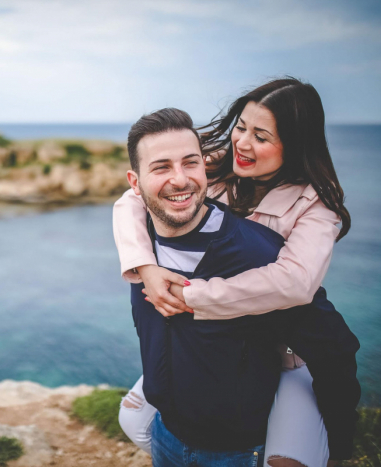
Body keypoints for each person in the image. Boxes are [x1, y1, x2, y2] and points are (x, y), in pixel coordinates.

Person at [114, 78, 353, 467]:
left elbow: (295, 283)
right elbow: (133, 198)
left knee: (288, 460)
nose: (241, 143)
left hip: (280, 347)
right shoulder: (218, 166)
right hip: (212, 342)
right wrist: (146, 268)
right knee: (135, 419)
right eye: (241, 126)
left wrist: (188, 297)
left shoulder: (316, 205)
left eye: (261, 136)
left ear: (295, 144)